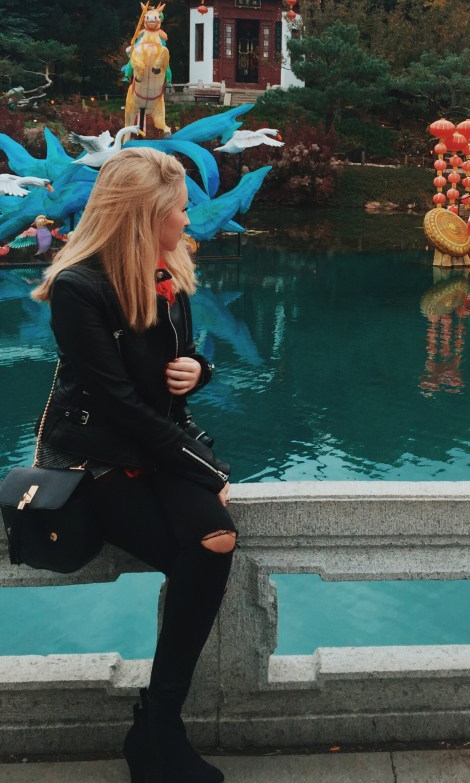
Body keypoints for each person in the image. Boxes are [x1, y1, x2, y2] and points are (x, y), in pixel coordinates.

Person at [32, 148, 234, 783]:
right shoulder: (78, 288)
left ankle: (155, 722)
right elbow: (114, 405)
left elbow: (183, 365)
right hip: (98, 458)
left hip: (156, 444)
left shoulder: (167, 274)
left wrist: (199, 371)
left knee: (217, 540)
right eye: (178, 212)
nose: (188, 224)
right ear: (145, 218)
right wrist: (209, 471)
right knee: (200, 548)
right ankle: (161, 735)